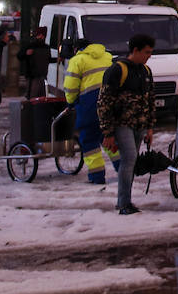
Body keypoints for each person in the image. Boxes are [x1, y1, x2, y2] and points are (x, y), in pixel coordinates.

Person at [98, 33, 157, 215]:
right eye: (146, 52)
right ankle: (124, 203)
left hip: (139, 125)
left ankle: (125, 201)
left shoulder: (145, 72)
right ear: (135, 50)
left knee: (130, 162)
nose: (149, 56)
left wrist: (149, 127)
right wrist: (108, 132)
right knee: (129, 159)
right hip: (122, 124)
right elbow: (104, 102)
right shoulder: (117, 70)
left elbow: (150, 100)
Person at [64, 41, 116, 184]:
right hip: (110, 103)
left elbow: (70, 87)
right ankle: (123, 169)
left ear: (77, 49)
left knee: (89, 142)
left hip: (89, 106)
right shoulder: (108, 57)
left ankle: (97, 177)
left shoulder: (78, 60)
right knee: (108, 138)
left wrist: (70, 102)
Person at [19, 27, 50, 100]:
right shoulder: (30, 45)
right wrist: (26, 53)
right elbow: (20, 56)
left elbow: (48, 59)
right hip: (33, 76)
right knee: (34, 96)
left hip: (41, 76)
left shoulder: (45, 47)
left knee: (40, 97)